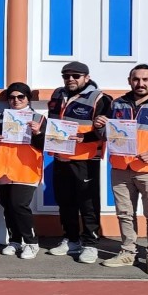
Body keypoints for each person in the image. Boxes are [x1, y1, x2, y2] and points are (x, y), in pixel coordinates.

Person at [93, 64, 148, 276]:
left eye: (145, 79)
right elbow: (107, 135)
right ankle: (127, 252)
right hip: (121, 168)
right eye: (136, 79)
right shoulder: (117, 104)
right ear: (129, 81)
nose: (140, 83)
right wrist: (99, 126)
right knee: (125, 214)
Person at [46, 61, 111, 264]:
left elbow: (108, 130)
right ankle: (71, 239)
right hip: (60, 156)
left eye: (76, 76)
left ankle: (90, 244)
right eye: (66, 76)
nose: (71, 79)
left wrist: (86, 137)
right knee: (65, 201)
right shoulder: (58, 94)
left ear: (87, 77)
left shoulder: (100, 98)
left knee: (88, 203)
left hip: (86, 158)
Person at [0, 82, 46, 260]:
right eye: (12, 97)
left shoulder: (39, 118)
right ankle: (14, 241)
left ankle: (31, 242)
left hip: (26, 168)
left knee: (19, 205)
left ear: (28, 98)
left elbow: (46, 145)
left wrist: (38, 134)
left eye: (21, 96)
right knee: (8, 206)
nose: (16, 100)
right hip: (2, 166)